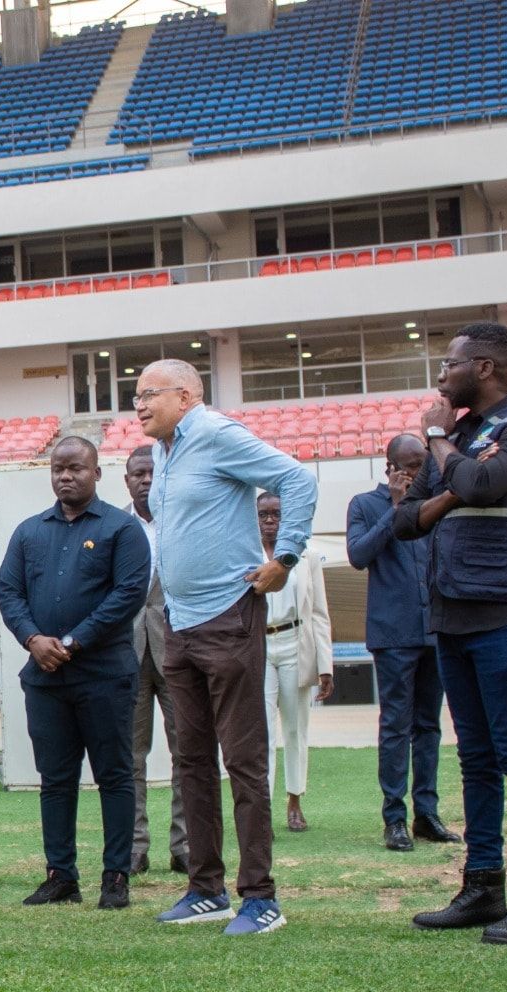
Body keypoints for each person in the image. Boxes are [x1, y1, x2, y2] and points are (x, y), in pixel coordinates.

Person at [394, 322, 507, 944]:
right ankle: (483, 885)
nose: (441, 376)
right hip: (453, 613)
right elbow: (407, 519)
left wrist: (441, 443)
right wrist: (451, 474)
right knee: (476, 758)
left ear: (487, 367)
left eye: (450, 364)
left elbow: (479, 484)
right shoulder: (462, 440)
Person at [136, 359, 317, 935]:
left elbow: (297, 479)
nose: (138, 405)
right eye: (135, 396)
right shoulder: (165, 452)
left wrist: (283, 559)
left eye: (148, 394)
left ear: (186, 396)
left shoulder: (215, 433)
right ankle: (205, 888)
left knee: (243, 761)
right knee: (190, 760)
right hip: (180, 624)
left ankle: (260, 898)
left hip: (229, 617)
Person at [0, 437, 151, 910]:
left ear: (96, 472)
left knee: (115, 775)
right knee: (56, 779)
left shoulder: (122, 529)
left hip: (104, 674)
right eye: (58, 469)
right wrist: (32, 640)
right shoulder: (28, 532)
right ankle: (61, 875)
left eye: (76, 468)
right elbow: (9, 592)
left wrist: (72, 641)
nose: (66, 476)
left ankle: (116, 875)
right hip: (46, 678)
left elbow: (128, 594)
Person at [346, 435, 458, 852]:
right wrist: (395, 510)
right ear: (388, 465)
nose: (414, 473)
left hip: (435, 629)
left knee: (429, 725)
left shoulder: (434, 506)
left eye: (420, 465)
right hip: (393, 635)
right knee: (396, 724)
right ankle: (394, 817)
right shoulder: (364, 505)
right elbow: (358, 555)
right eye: (407, 466)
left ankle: (426, 813)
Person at [122, 444, 188, 876]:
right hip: (125, 653)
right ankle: (134, 846)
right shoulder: (112, 526)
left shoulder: (184, 520)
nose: (145, 480)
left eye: (151, 472)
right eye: (137, 474)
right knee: (130, 756)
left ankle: (185, 845)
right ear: (125, 480)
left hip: (181, 650)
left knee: (189, 751)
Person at [257, 492, 334, 833]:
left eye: (276, 514)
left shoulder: (307, 556)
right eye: (263, 514)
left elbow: (319, 614)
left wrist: (325, 665)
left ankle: (294, 799)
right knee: (261, 732)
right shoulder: (244, 554)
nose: (270, 520)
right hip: (257, 646)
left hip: (294, 643)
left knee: (295, 727)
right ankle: (262, 807)